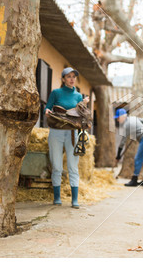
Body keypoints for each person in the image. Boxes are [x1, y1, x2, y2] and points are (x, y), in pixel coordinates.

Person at [45, 67, 89, 209]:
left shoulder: (78, 96)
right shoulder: (56, 92)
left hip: (72, 133)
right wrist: (47, 111)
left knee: (73, 167)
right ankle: (57, 197)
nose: (71, 79)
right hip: (56, 131)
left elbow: (81, 115)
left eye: (73, 77)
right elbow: (48, 107)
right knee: (57, 166)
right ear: (63, 79)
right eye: (68, 76)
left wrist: (84, 105)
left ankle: (74, 200)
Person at [114, 108, 143, 187]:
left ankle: (134, 180)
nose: (118, 120)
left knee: (138, 158)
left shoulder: (126, 125)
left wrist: (118, 155)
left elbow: (122, 142)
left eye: (118, 118)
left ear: (122, 117)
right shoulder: (133, 118)